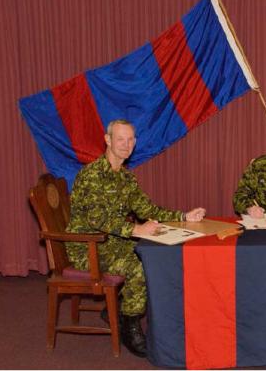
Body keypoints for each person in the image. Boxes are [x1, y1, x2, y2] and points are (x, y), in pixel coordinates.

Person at [65, 119, 205, 357]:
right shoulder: (91, 175)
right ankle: (130, 328)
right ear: (108, 140)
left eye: (130, 139)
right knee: (138, 268)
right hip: (89, 248)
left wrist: (183, 216)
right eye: (120, 139)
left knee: (156, 258)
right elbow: (97, 220)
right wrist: (137, 230)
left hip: (114, 243)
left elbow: (147, 209)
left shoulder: (126, 178)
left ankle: (120, 309)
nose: (126, 144)